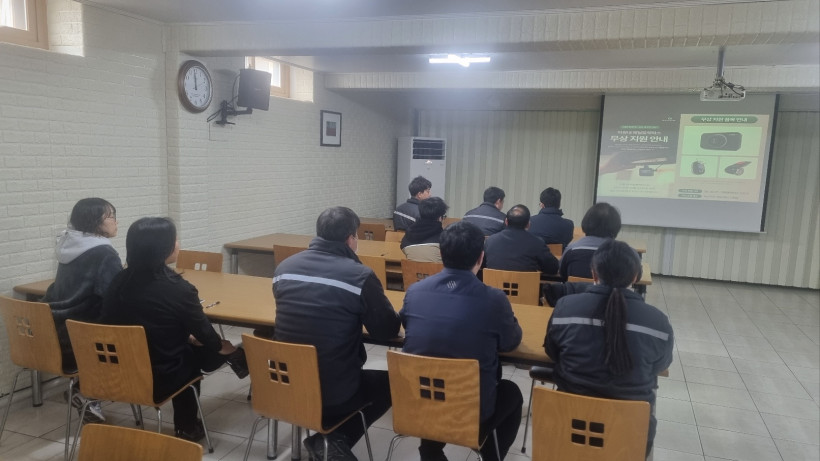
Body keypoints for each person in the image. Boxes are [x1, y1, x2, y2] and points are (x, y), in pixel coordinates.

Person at [100, 217, 247, 442]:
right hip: (159, 374)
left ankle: (238, 358)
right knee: (204, 354)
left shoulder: (118, 280)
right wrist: (221, 347)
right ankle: (187, 426)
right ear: (162, 248)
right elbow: (204, 333)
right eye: (174, 239)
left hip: (114, 369)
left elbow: (132, 323)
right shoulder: (179, 289)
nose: (178, 243)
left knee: (196, 346)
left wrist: (188, 337)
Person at [272, 206, 401, 461]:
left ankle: (326, 437)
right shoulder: (359, 275)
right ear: (351, 238)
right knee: (392, 383)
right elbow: (386, 330)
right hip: (334, 392)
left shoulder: (283, 268)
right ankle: (333, 439)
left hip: (284, 383)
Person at [400, 221, 523, 461]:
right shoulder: (494, 299)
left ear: (441, 254)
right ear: (481, 257)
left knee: (433, 375)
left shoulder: (415, 291)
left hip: (419, 403)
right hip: (470, 411)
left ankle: (430, 451)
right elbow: (510, 343)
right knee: (511, 392)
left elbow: (408, 325)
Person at [544, 239, 673, 458]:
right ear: (635, 277)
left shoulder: (565, 307)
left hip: (568, 428)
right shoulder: (658, 322)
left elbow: (552, 352)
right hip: (628, 436)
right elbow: (660, 365)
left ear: (593, 274)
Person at [42, 197, 122, 424]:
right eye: (111, 217)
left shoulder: (68, 245)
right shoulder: (103, 253)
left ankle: (86, 392)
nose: (116, 221)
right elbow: (114, 297)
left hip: (54, 331)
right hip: (79, 340)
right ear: (95, 222)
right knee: (132, 336)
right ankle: (87, 392)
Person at [484, 205, 559, 275]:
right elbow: (553, 269)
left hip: (493, 284)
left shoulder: (490, 241)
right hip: (527, 285)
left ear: (506, 222)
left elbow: (482, 264)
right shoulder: (537, 243)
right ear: (528, 224)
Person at [559, 202, 621, 279]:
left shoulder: (571, 249)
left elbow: (562, 273)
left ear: (587, 222)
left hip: (576, 287)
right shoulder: (624, 254)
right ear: (616, 226)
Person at [400, 197, 448, 263]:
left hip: (412, 269)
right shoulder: (445, 239)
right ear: (439, 218)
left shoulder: (406, 239)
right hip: (437, 269)